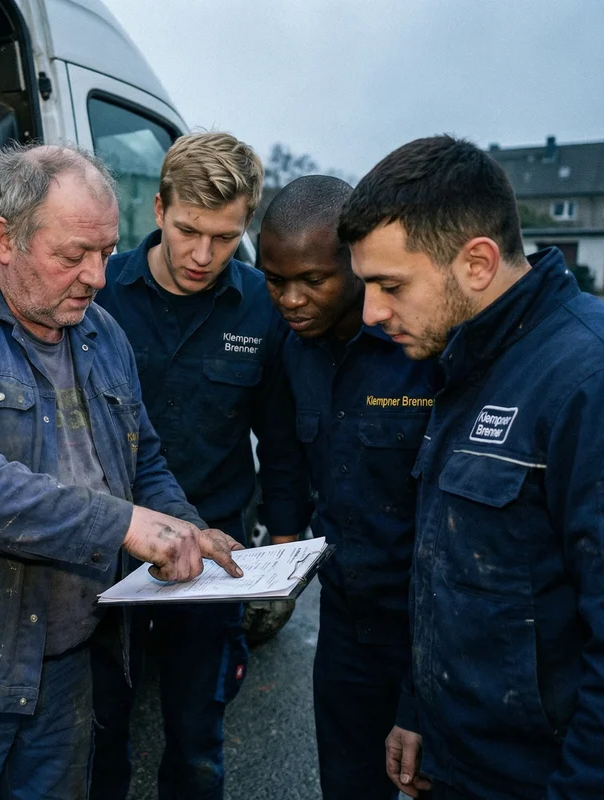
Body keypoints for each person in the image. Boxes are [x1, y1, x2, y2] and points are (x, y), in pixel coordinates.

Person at [0, 143, 244, 799]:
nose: (96, 276)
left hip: (67, 665)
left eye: (104, 251)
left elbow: (141, 458)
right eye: (73, 256)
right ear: (5, 239)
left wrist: (186, 528)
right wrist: (121, 526)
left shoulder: (101, 335)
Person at [338, 134, 604, 799]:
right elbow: (453, 572)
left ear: (476, 262)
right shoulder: (470, 362)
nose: (373, 313)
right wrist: (418, 711)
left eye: (390, 285)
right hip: (463, 767)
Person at [92, 132, 309, 800]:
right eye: (188, 230)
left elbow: (281, 436)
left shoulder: (259, 307)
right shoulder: (100, 295)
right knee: (99, 733)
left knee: (196, 745)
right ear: (157, 208)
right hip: (109, 544)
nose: (202, 255)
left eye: (224, 236)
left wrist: (284, 537)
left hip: (213, 558)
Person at [256, 174, 437, 800]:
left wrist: (420, 693)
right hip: (344, 620)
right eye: (275, 280)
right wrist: (280, 556)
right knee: (349, 782)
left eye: (313, 279)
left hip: (429, 624)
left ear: (356, 265)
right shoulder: (290, 347)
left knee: (429, 777)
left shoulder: (420, 347)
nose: (291, 299)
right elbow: (282, 452)